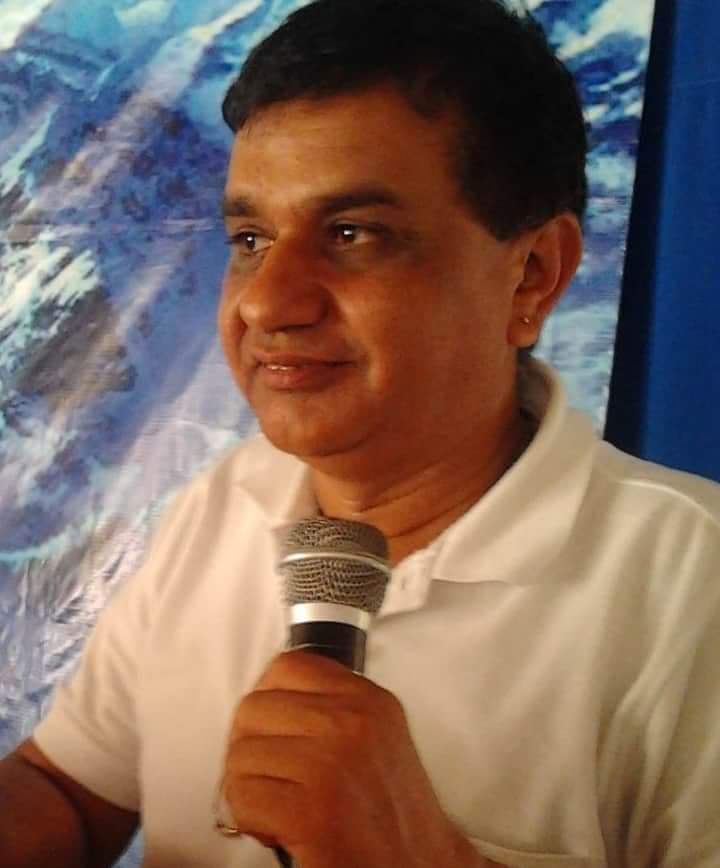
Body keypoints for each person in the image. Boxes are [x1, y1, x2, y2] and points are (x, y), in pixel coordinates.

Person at [1, 0, 718, 866]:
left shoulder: (692, 586)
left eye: (352, 234)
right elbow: (70, 793)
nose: (268, 302)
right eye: (251, 238)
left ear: (532, 276)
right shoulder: (219, 503)